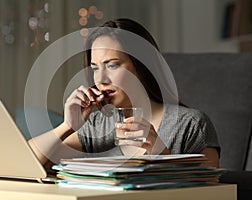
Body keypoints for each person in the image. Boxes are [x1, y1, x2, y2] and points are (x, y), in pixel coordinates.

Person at [28, 18, 220, 169]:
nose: (101, 79)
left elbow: (214, 190)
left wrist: (161, 155)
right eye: (95, 68)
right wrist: (67, 126)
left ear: (142, 66)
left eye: (112, 65)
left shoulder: (190, 124)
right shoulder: (98, 125)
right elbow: (27, 162)